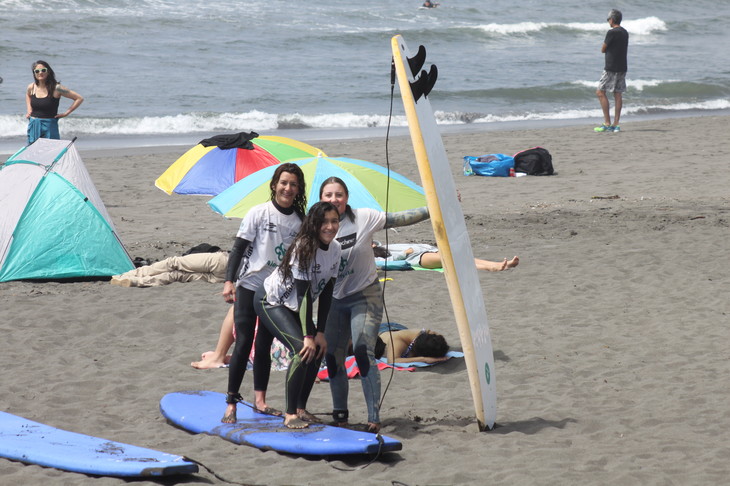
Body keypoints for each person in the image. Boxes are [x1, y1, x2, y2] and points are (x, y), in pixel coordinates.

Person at [320, 177, 430, 434]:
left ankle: (373, 417)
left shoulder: (364, 217)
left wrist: (433, 208)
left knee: (362, 351)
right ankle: (340, 416)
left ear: (346, 197)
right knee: (333, 358)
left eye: (339, 194)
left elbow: (399, 219)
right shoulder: (316, 225)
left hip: (365, 295)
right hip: (333, 299)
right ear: (321, 198)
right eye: (328, 195)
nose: (334, 199)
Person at [221, 163, 307, 424]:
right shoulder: (258, 213)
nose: (287, 188)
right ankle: (231, 403)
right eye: (283, 182)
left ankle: (260, 401)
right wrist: (229, 281)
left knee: (264, 346)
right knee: (244, 341)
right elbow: (238, 250)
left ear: (298, 189)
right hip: (249, 285)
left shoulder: (301, 222)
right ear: (274, 184)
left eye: (293, 184)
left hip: (275, 292)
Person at [254, 201, 341, 428]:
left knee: (318, 348)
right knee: (301, 350)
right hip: (271, 301)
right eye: (324, 222)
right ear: (314, 224)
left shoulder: (336, 249)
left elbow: (327, 291)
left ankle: (301, 408)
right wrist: (308, 336)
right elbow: (303, 296)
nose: (330, 227)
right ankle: (290, 413)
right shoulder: (304, 247)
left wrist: (319, 332)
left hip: (293, 306)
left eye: (334, 221)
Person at [25, 60, 83, 145]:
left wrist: (66, 113)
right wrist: (29, 109)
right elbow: (28, 95)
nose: (40, 73)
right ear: (34, 73)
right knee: (33, 153)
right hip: (34, 125)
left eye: (43, 70)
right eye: (37, 71)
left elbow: (79, 98)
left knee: (50, 152)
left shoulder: (57, 88)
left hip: (49, 126)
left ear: (48, 71)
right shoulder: (31, 87)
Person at [110, 251, 228, 287]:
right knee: (177, 275)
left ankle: (130, 274)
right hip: (226, 278)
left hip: (224, 261)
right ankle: (136, 282)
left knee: (174, 263)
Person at [373, 242, 519, 272]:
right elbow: (386, 263)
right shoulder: (370, 258)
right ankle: (493, 266)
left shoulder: (383, 245)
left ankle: (496, 265)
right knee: (457, 258)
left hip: (426, 250)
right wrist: (405, 253)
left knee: (461, 258)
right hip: (417, 258)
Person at [594, 9, 629, 133]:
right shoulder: (625, 32)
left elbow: (603, 49)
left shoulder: (611, 32)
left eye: (608, 19)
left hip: (611, 67)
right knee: (618, 94)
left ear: (612, 19)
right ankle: (616, 124)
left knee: (600, 92)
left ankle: (607, 122)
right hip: (622, 66)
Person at [376, 323, 449, 364]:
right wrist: (424, 359)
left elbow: (438, 339)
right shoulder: (397, 341)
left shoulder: (427, 334)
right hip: (381, 331)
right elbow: (392, 361)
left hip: (397, 327)